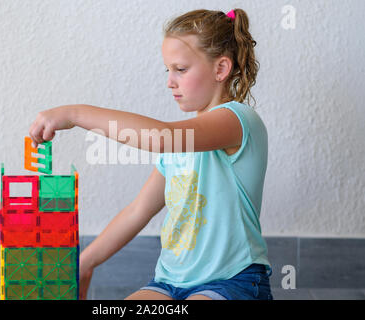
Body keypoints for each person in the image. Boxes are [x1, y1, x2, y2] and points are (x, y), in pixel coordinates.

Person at [29, 8, 273, 300]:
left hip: (234, 280)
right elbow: (138, 211)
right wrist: (84, 263)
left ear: (220, 69)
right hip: (169, 282)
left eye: (181, 69)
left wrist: (75, 114)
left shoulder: (237, 120)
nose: (170, 81)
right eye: (167, 70)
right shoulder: (179, 147)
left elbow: (161, 137)